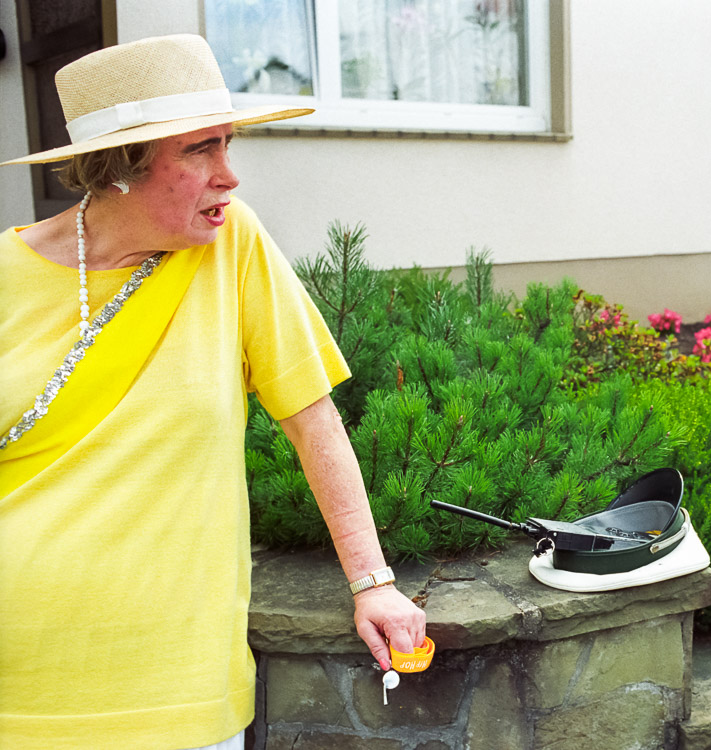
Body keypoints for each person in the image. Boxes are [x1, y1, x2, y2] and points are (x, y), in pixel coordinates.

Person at [0, 35, 425, 749]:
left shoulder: (233, 248)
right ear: (120, 170)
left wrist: (372, 580)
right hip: (18, 678)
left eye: (228, 145)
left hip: (176, 685)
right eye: (201, 150)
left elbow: (313, 420)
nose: (229, 176)